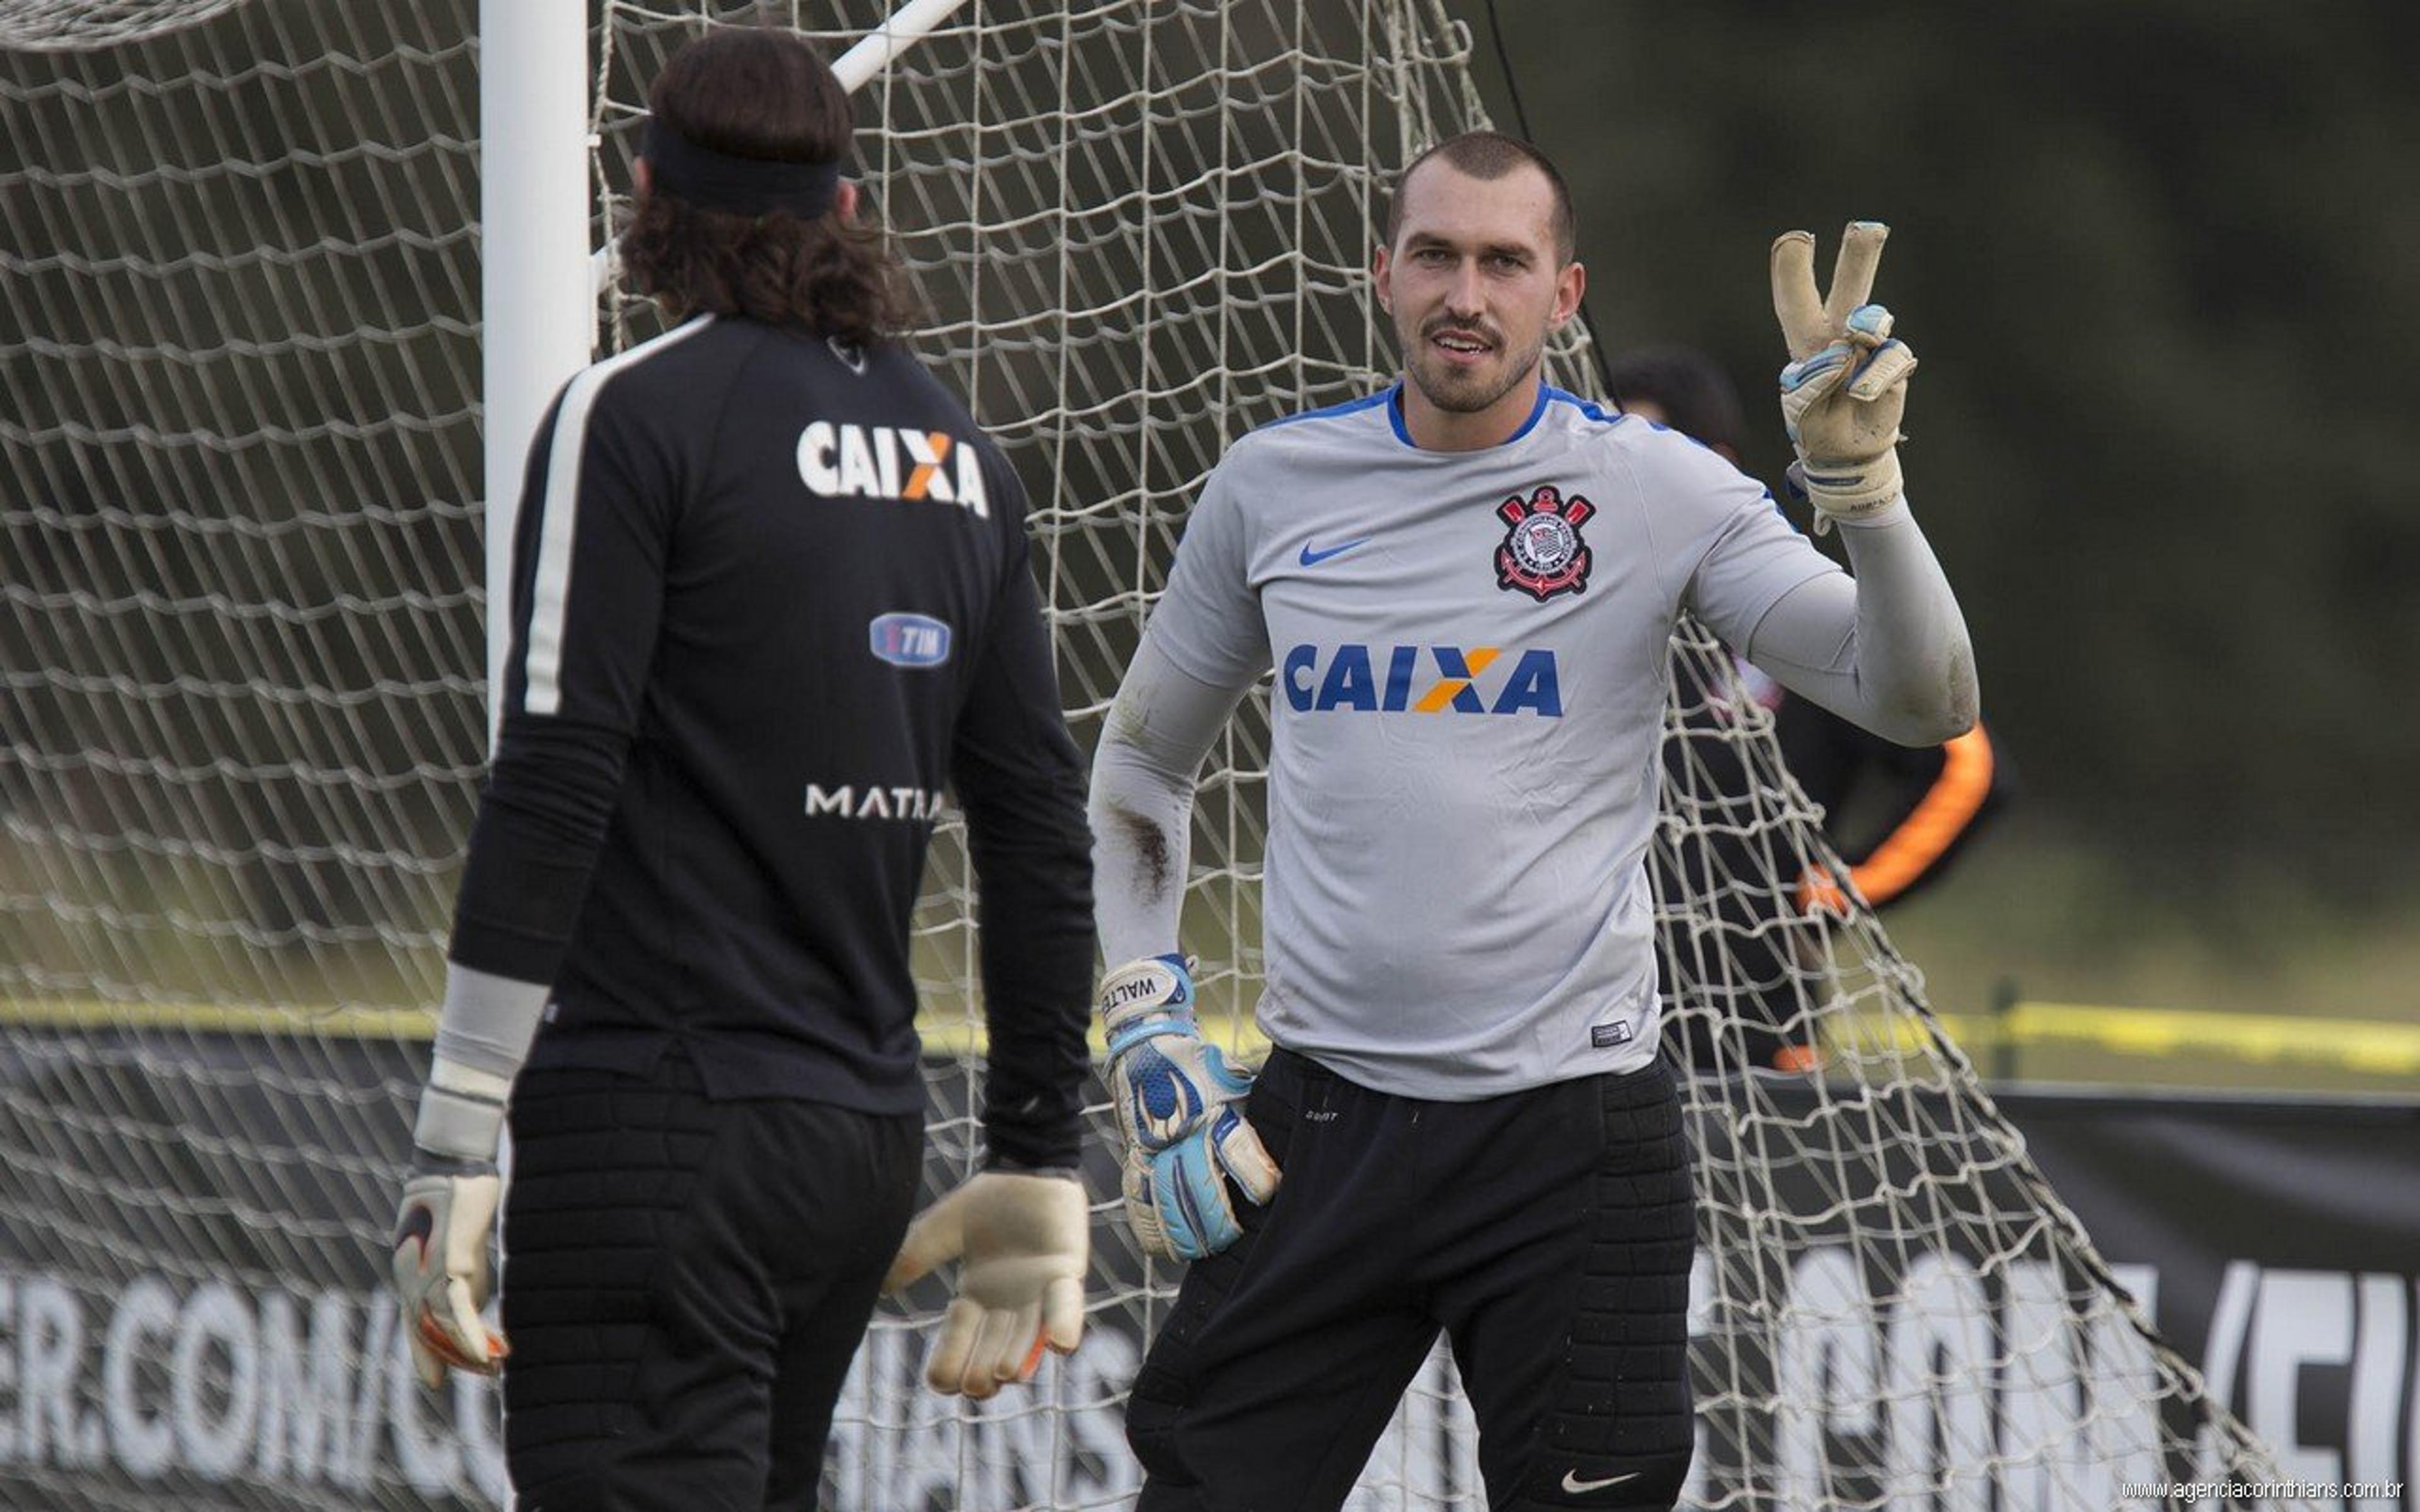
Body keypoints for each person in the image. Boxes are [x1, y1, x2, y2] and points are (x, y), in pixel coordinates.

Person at [1086, 130, 1976, 1511]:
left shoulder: (1656, 487)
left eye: (1506, 262)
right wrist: (1148, 1014)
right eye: (1436, 254)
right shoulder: (1271, 485)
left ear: (1565, 297)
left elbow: (1918, 700)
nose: (1467, 293)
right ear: (1381, 274)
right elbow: (1141, 769)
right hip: (1323, 1124)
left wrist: (1868, 498)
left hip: (1576, 1145)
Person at [384, 28, 1095, 1511]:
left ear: (645, 197)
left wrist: (457, 1127)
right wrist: (1038, 1151)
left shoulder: (628, 412)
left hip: (657, 1121)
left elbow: (556, 776)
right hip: (857, 1144)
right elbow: (1036, 826)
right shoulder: (963, 454)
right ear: (848, 211)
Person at [1608, 346, 2012, 1077]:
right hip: (1591, 1027)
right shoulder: (1579, 605)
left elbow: (1971, 771)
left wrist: (1835, 891)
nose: (1621, 476)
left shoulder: (1776, 601)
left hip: (1756, 1025)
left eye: (1644, 446)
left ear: (1716, 462)